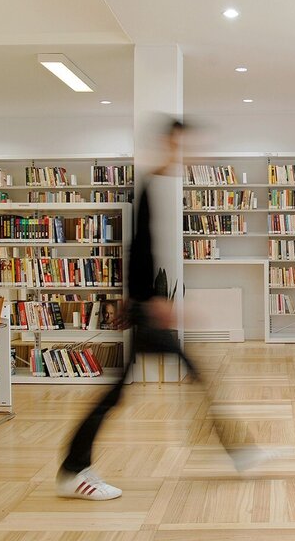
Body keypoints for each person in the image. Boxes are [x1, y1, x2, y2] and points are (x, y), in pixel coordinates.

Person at [56, 118, 199, 500]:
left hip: (144, 306)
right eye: (182, 146)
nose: (187, 154)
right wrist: (150, 300)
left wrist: (142, 298)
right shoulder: (150, 184)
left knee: (128, 390)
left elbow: (139, 248)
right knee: (118, 393)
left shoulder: (155, 184)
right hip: (145, 309)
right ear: (169, 145)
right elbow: (139, 249)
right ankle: (72, 470)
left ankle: (74, 468)